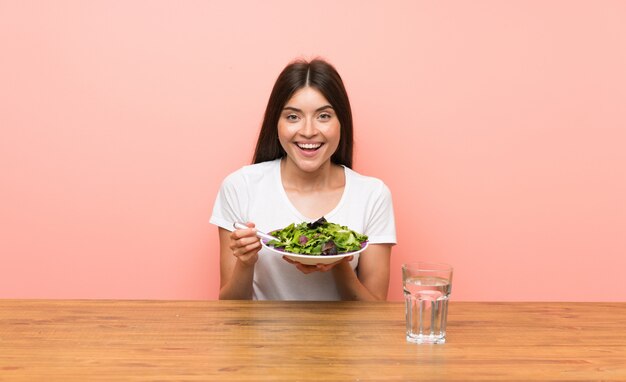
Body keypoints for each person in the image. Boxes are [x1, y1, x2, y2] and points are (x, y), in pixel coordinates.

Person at [210, 58, 396, 300]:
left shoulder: (373, 195)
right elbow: (229, 308)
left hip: (344, 338)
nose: (308, 131)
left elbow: (375, 315)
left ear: (342, 122)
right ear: (275, 123)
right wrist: (246, 262)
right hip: (260, 338)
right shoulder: (240, 187)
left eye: (324, 116)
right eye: (293, 117)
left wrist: (337, 261)